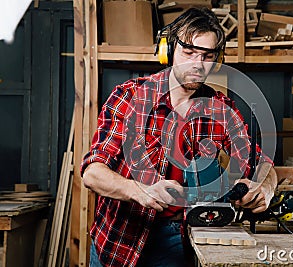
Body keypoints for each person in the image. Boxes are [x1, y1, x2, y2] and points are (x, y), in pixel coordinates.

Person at [81, 7, 277, 267]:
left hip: (179, 238)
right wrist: (140, 190)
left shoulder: (222, 111)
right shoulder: (130, 98)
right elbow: (92, 172)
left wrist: (265, 188)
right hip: (120, 237)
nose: (197, 64)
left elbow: (262, 164)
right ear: (169, 50)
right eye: (189, 52)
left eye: (207, 56)